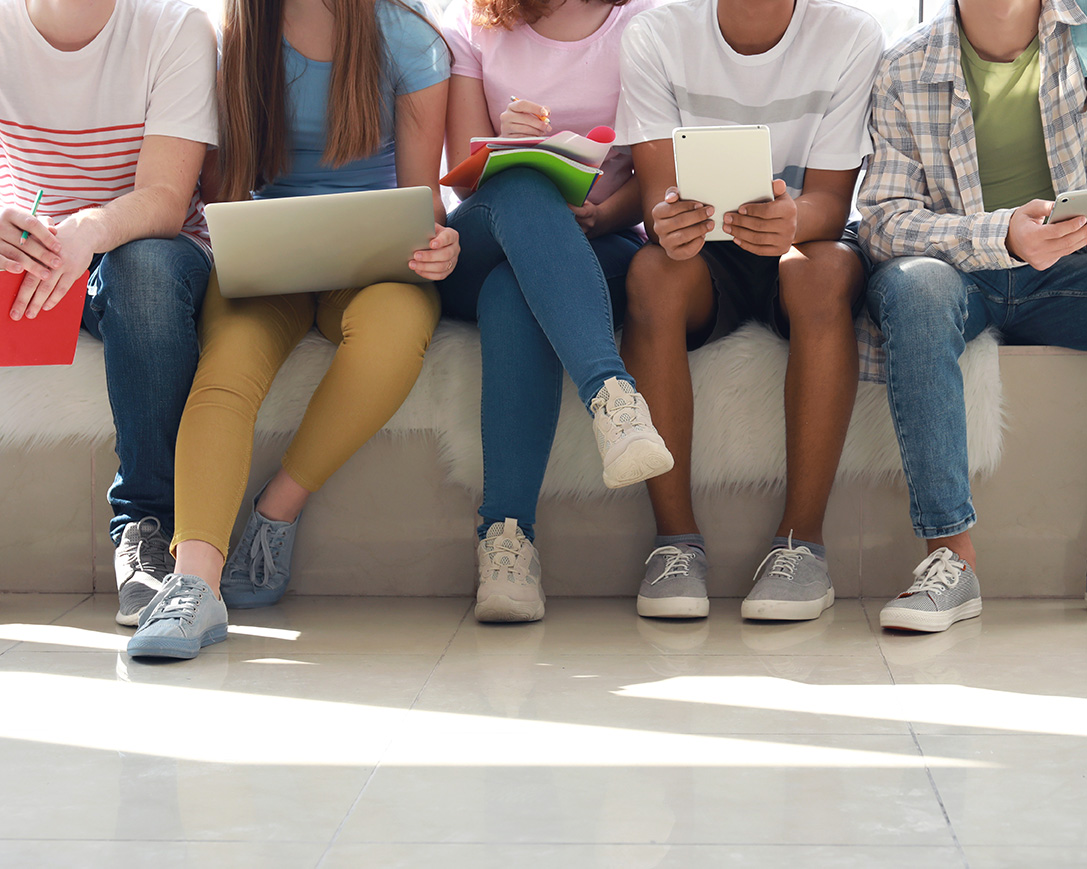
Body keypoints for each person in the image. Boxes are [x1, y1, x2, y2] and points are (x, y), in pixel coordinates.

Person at [127, 0, 458, 659]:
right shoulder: (230, 40)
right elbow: (222, 194)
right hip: (266, 260)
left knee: (393, 333)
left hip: (375, 263)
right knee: (223, 374)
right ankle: (195, 586)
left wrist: (438, 245)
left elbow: (424, 201)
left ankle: (277, 508)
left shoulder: (408, 37)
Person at [614, 0, 883, 620]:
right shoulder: (656, 33)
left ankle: (802, 546)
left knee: (822, 277)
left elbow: (832, 202)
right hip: (703, 255)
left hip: (803, 238)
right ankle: (675, 543)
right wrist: (669, 223)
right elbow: (658, 195)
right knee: (650, 274)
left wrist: (791, 220)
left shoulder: (849, 34)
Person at [439, 0, 672, 623]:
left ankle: (506, 543)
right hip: (490, 226)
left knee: (516, 295)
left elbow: (653, 188)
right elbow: (463, 182)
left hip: (601, 238)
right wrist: (510, 146)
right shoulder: (473, 27)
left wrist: (603, 212)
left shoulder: (646, 22)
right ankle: (610, 390)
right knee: (524, 184)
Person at [859, 0, 1087, 632]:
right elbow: (882, 222)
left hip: (1070, 272)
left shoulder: (1081, 41)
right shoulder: (906, 66)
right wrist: (1002, 237)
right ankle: (950, 562)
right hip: (957, 271)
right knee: (916, 289)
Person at [0, 0, 217, 626]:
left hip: (145, 251)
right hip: (38, 257)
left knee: (141, 271)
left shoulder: (175, 27)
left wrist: (85, 233)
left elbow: (166, 200)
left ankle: (147, 523)